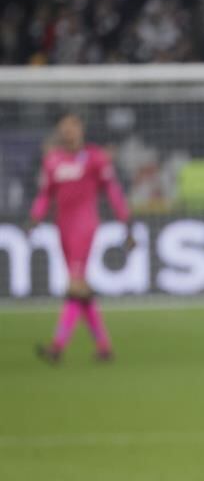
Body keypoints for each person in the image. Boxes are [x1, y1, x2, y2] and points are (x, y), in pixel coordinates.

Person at [30, 112, 133, 363]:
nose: (68, 132)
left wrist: (125, 220)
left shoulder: (95, 158)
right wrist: (35, 217)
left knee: (74, 285)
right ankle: (104, 347)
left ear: (81, 130)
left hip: (85, 226)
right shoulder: (53, 160)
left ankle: (57, 347)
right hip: (62, 228)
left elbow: (112, 190)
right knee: (80, 288)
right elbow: (45, 193)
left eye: (72, 127)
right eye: (64, 128)